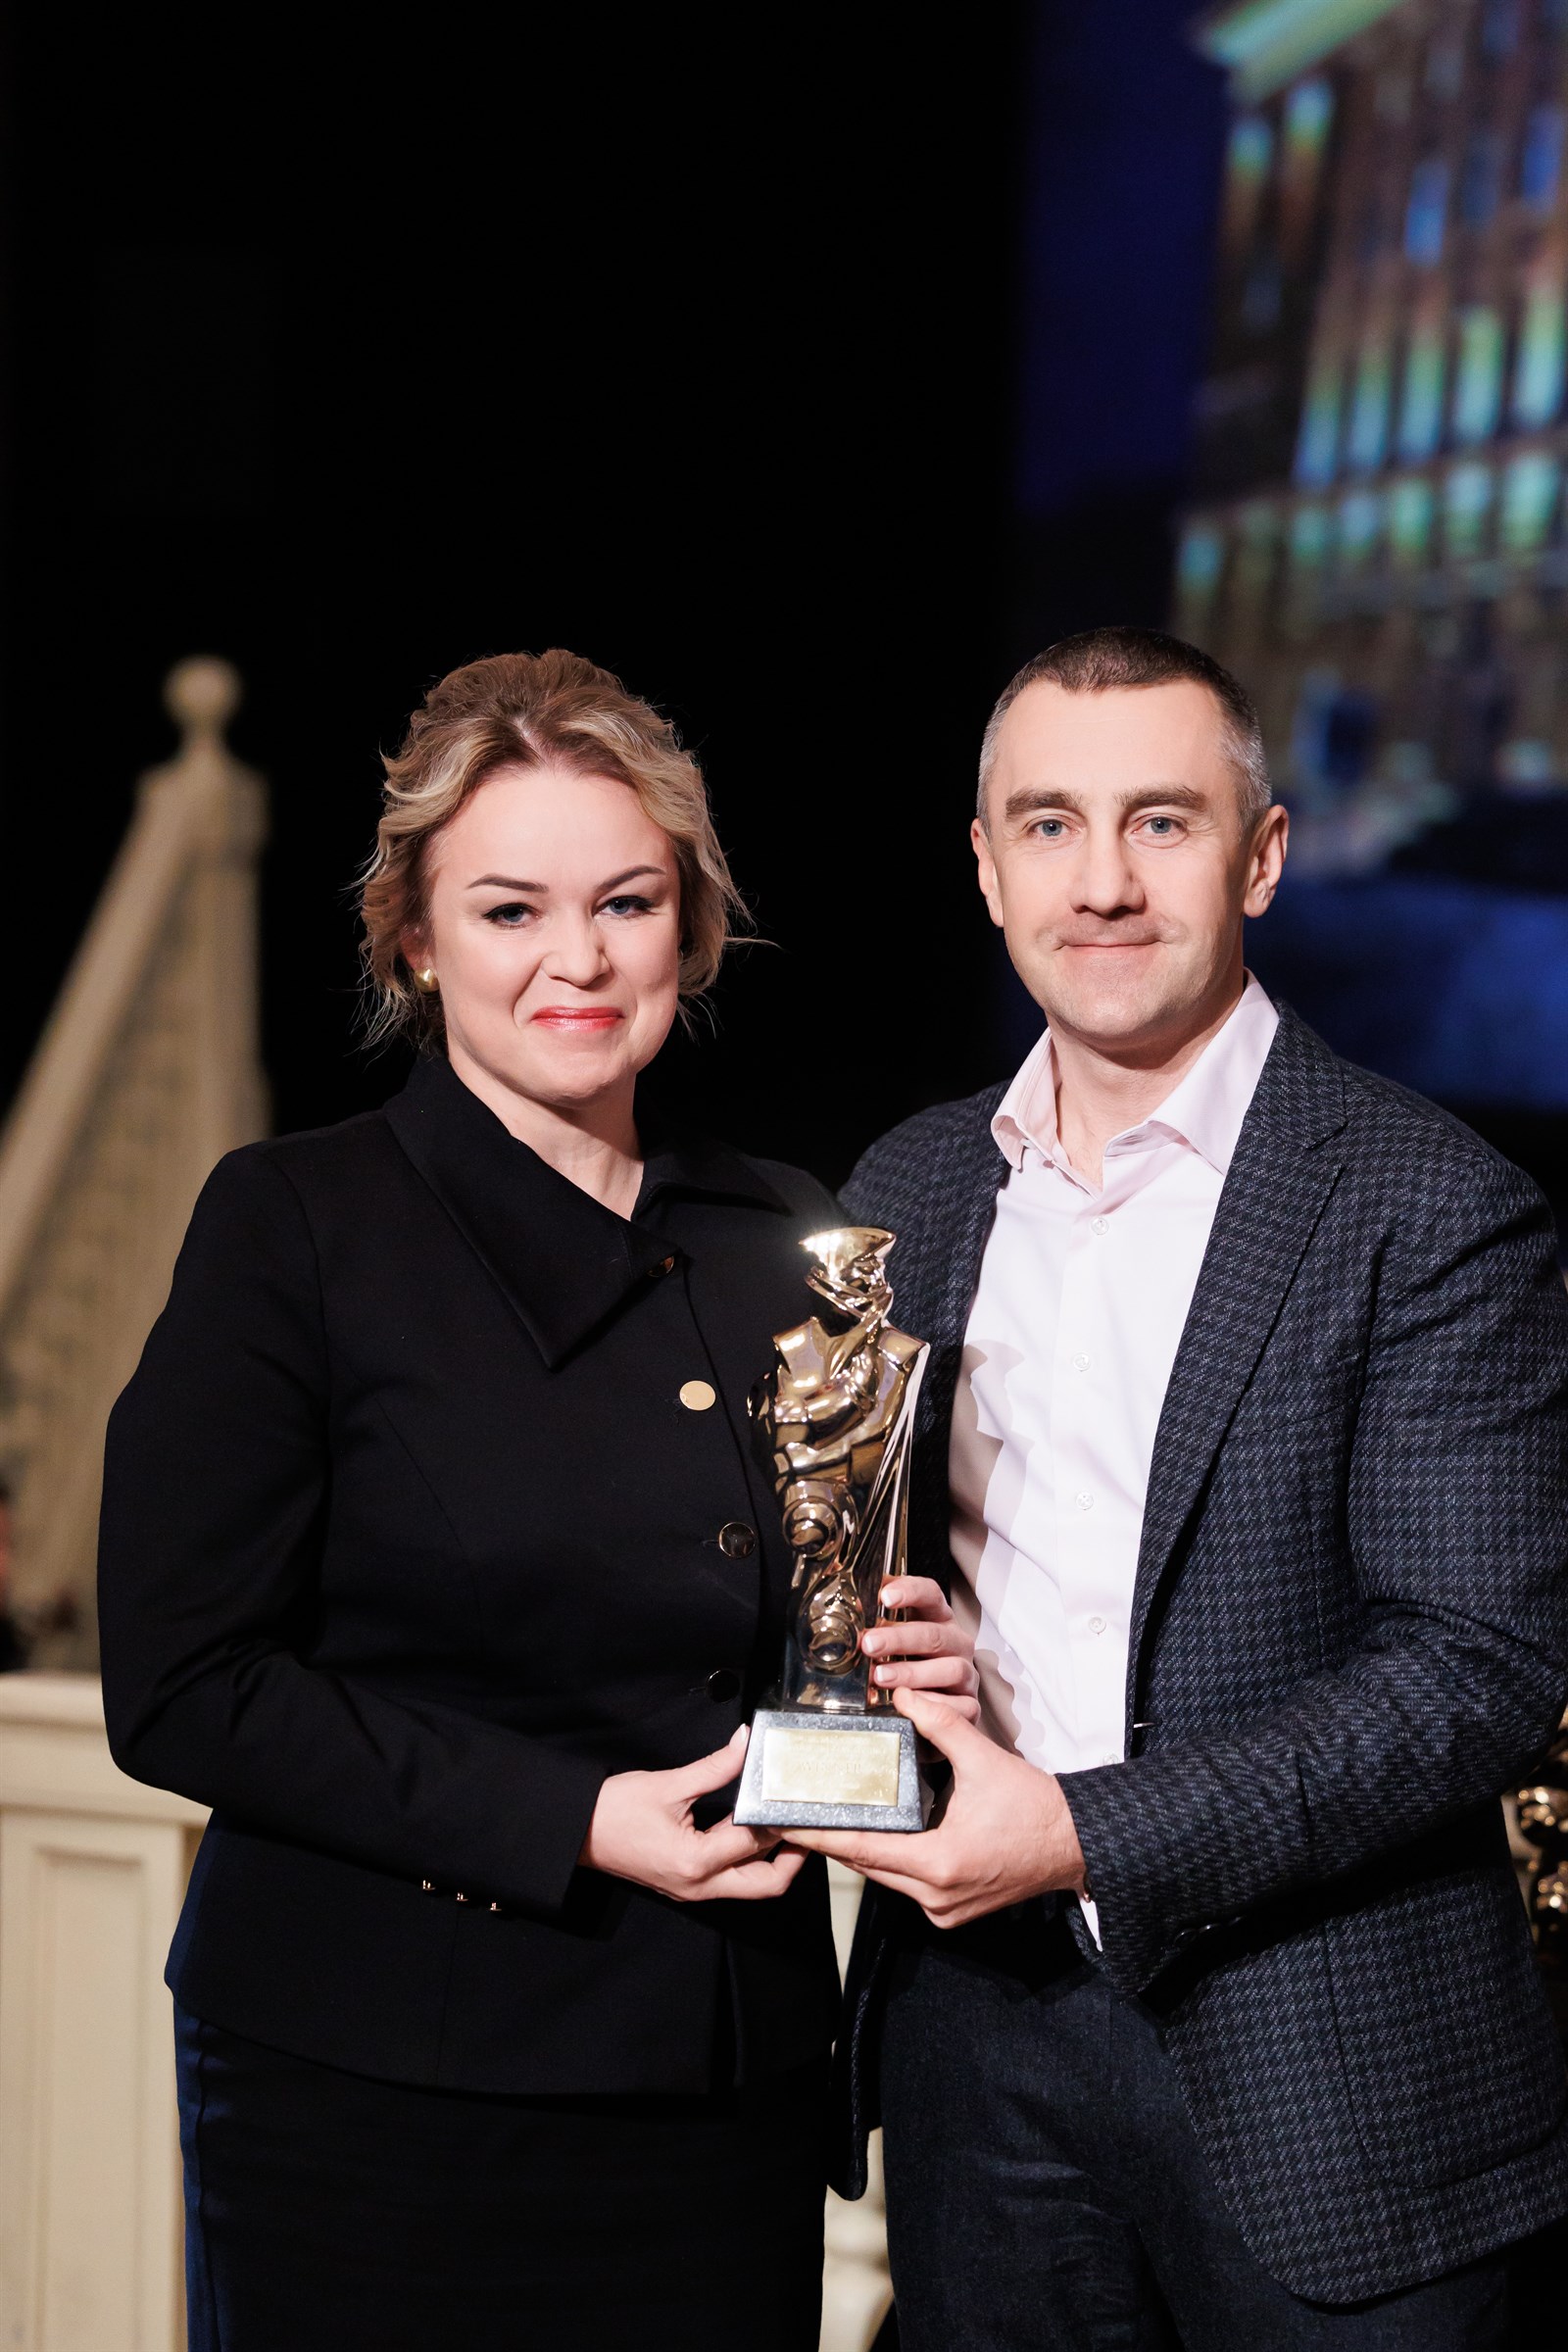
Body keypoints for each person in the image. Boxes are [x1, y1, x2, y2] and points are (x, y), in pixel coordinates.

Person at [95, 649, 976, 2352]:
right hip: (381, 2103)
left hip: (719, 2091)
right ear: (416, 941)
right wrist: (576, 1819)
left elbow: (832, 1615)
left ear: (689, 930)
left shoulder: (783, 1235)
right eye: (511, 910)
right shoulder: (296, 1225)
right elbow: (185, 1684)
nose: (578, 959)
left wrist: (909, 1657)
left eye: (626, 903)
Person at [800, 627, 1568, 2349]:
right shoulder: (911, 1190)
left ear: (1263, 858)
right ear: (987, 869)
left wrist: (1082, 1833)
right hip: (978, 2047)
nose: (1104, 882)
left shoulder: (1431, 1204)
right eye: (1050, 826)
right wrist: (902, 1666)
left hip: (1333, 2068)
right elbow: (867, 1564)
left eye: (1161, 821)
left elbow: (1477, 1672)